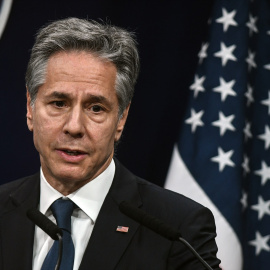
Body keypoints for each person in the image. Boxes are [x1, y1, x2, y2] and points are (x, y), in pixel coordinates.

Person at [0, 17, 221, 270]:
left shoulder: (177, 228)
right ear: (30, 108)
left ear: (121, 118)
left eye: (96, 108)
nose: (74, 127)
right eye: (58, 103)